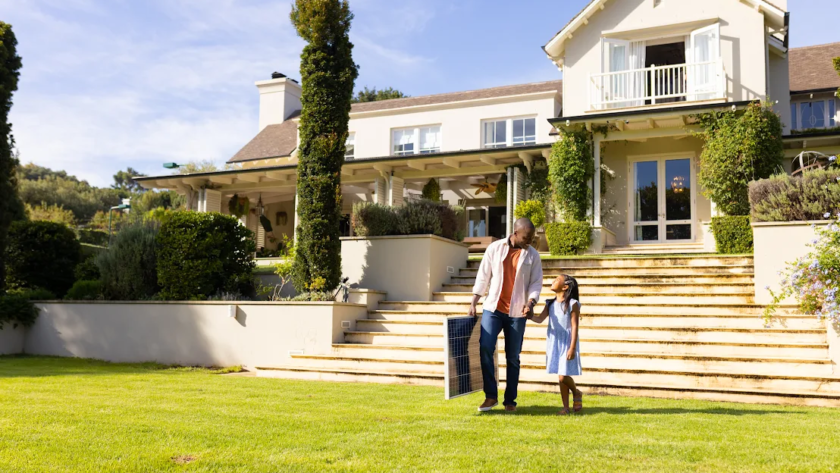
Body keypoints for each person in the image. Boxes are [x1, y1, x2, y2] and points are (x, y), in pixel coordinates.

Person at [469, 218, 543, 413]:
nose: (530, 241)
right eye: (526, 238)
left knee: (512, 357)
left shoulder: (533, 255)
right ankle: (490, 396)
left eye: (532, 238)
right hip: (493, 309)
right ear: (515, 233)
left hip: (517, 313)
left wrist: (531, 303)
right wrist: (474, 302)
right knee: (485, 347)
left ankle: (510, 400)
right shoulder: (495, 248)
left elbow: (536, 283)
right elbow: (483, 276)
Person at [531, 274, 583, 415]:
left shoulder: (572, 304)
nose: (553, 281)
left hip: (567, 342)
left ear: (565, 287)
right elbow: (540, 319)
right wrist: (529, 315)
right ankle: (565, 407)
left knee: (562, 376)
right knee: (561, 374)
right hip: (554, 342)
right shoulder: (550, 303)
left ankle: (576, 392)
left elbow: (574, 326)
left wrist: (572, 347)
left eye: (557, 280)